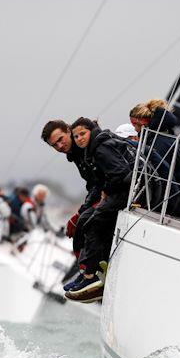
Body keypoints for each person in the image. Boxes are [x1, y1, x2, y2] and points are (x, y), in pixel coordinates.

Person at [62, 117, 140, 302]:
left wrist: (106, 191)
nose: (80, 138)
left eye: (83, 134)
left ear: (91, 131)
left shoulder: (100, 148)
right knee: (87, 222)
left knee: (93, 223)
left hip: (127, 192)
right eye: (77, 136)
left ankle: (91, 276)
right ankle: (90, 273)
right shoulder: (93, 148)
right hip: (122, 190)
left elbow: (121, 174)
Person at [40, 119, 102, 288]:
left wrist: (82, 211)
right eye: (54, 145)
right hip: (101, 193)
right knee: (79, 226)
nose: (60, 146)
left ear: (68, 131)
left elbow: (100, 181)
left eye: (60, 139)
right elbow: (92, 184)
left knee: (84, 224)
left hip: (113, 192)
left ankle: (91, 275)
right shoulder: (75, 153)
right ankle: (87, 274)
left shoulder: (88, 146)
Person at [129, 99, 180, 218]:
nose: (135, 129)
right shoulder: (165, 136)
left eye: (136, 125)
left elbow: (163, 174)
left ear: (145, 123)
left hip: (177, 202)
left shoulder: (159, 142)